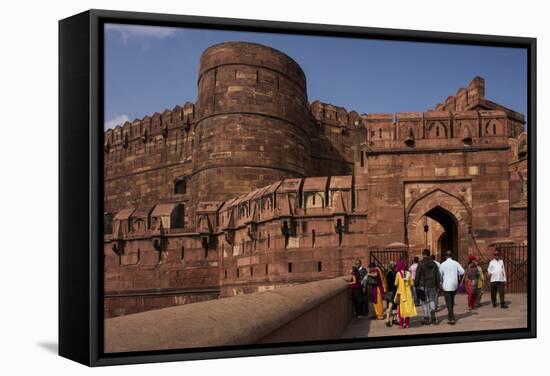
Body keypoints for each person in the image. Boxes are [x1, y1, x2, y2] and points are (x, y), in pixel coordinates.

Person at [415, 249, 440, 325]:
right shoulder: (434, 264)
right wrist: (438, 285)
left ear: (423, 255)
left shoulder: (421, 264)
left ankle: (426, 318)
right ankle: (433, 317)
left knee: (424, 302)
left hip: (423, 285)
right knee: (432, 300)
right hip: (432, 285)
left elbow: (417, 275)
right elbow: (437, 275)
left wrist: (416, 284)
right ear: (429, 254)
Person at [438, 250, 464, 325]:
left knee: (448, 302)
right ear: (451, 256)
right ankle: (450, 315)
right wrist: (456, 273)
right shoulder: (456, 263)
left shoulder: (443, 264)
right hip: (454, 284)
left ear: (445, 256)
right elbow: (462, 271)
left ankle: (451, 317)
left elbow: (440, 275)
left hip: (446, 285)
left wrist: (440, 282)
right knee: (451, 301)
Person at [394, 259, 417, 328]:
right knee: (408, 308)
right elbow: (412, 283)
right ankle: (407, 324)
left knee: (401, 309)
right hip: (408, 293)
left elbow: (395, 283)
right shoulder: (408, 273)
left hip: (401, 293)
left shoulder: (398, 274)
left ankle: (401, 324)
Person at [384, 261, 398, 326]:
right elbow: (391, 284)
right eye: (394, 266)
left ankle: (394, 319)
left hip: (393, 291)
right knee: (390, 306)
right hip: (391, 292)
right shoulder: (390, 273)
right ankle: (387, 320)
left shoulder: (392, 272)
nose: (395, 267)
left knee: (394, 306)